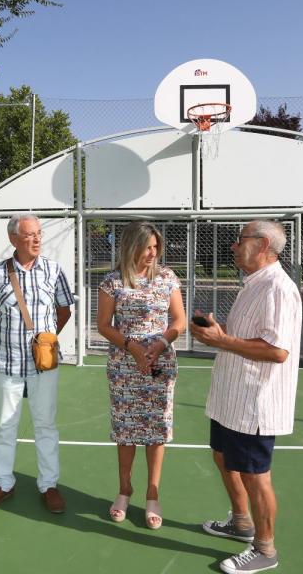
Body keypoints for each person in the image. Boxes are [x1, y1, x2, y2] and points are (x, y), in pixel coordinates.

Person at [191, 220, 302, 574]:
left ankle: (265, 549)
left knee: (256, 475)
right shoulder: (254, 284)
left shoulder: (278, 288)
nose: (235, 246)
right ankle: (242, 523)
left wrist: (222, 341)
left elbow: (277, 351)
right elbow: (249, 338)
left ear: (264, 243)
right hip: (232, 396)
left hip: (256, 400)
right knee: (222, 456)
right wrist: (221, 334)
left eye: (241, 240)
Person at [0, 214, 74, 513]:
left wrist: (43, 342)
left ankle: (49, 485)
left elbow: (63, 310)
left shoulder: (54, 271)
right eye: (29, 235)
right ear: (13, 239)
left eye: (39, 234)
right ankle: (3, 483)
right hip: (7, 363)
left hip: (43, 366)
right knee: (5, 426)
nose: (36, 239)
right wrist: (12, 338)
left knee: (45, 424)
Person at [96, 221, 185, 529]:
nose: (153, 252)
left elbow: (179, 320)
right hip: (124, 366)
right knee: (126, 430)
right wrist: (133, 347)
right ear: (131, 246)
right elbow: (104, 325)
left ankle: (152, 494)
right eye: (147, 246)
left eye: (155, 247)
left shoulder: (167, 277)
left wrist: (160, 343)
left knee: (156, 428)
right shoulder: (112, 281)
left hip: (160, 364)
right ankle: (124, 490)